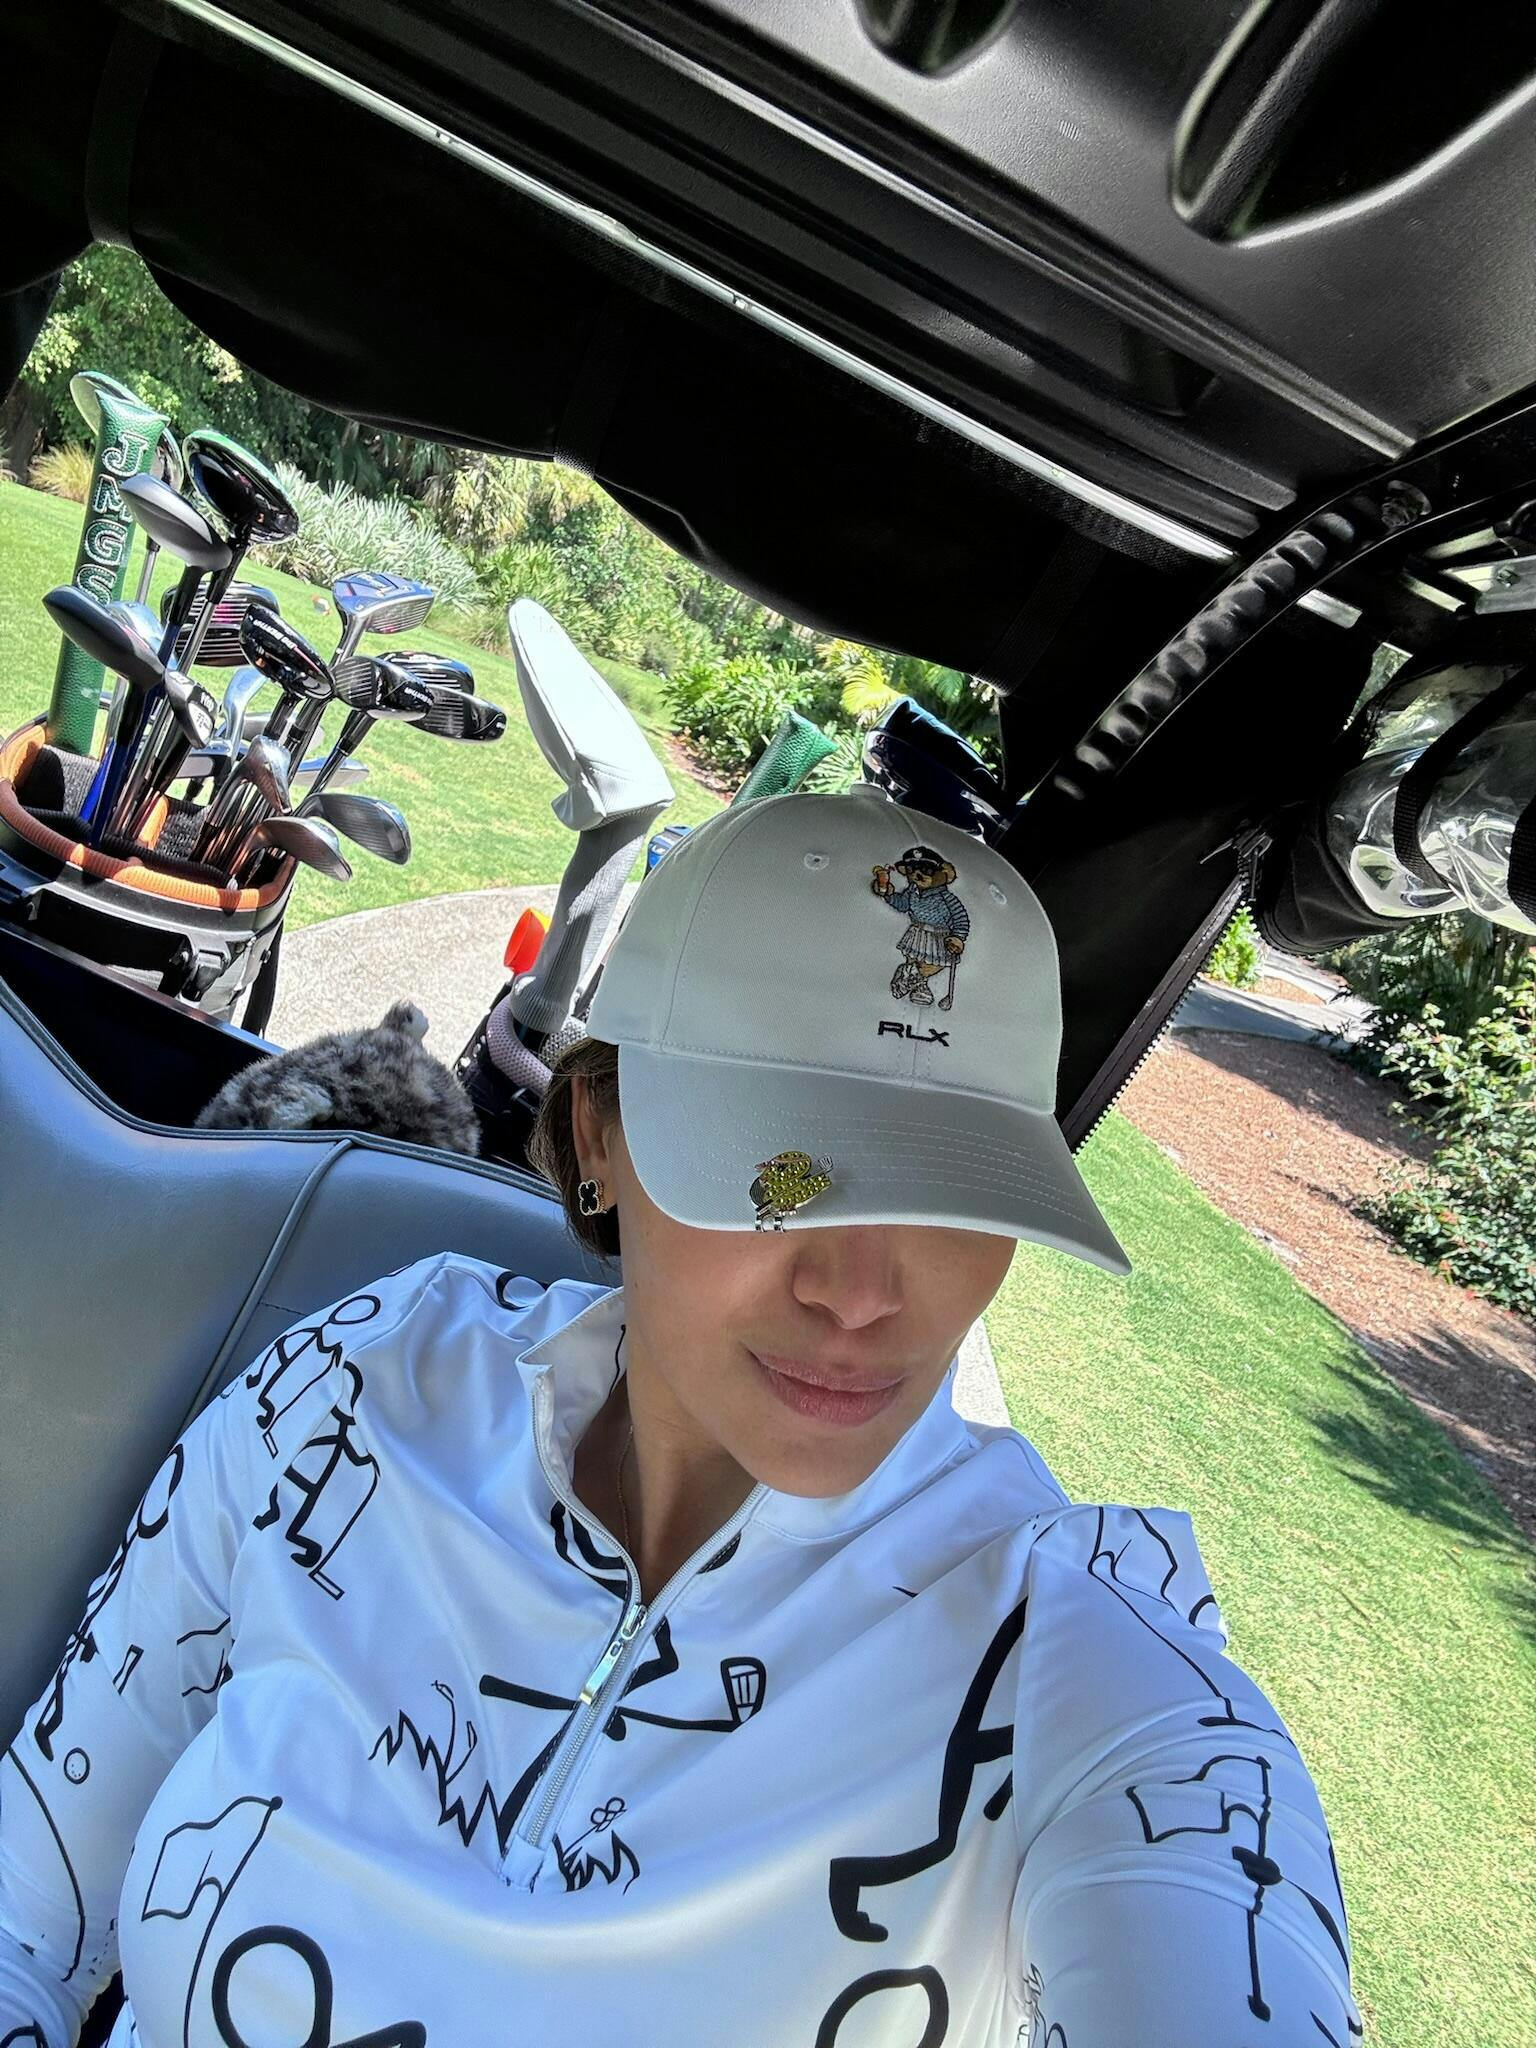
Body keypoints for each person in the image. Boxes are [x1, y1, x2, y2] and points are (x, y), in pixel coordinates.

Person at [0, 785, 1362, 2047]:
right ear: (601, 1133)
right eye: (781, 1172)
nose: (862, 1294)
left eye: (957, 1189)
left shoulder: (1079, 1666)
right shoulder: (365, 1380)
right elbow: (23, 1908)